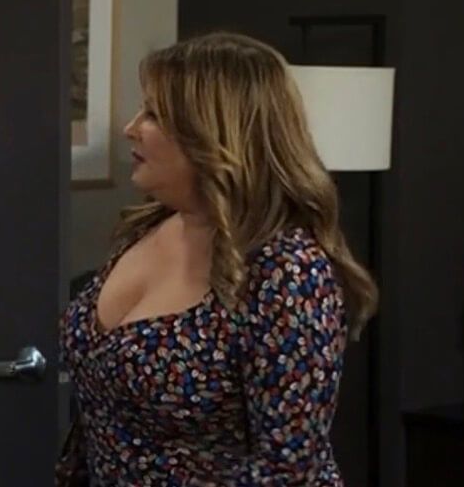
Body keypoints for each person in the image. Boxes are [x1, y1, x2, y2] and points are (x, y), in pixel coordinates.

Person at [57, 32, 377, 486]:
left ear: (211, 133)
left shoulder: (288, 271)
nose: (131, 127)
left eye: (154, 114)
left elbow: (287, 470)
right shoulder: (147, 227)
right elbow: (98, 413)